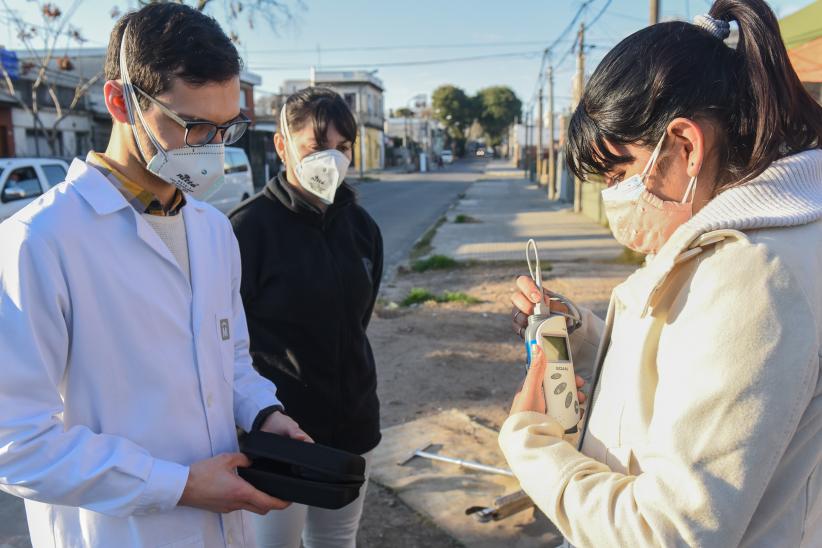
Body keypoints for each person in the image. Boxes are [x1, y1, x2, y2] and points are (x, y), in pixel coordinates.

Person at [504, 0, 822, 546]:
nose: (612, 199)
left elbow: (667, 530)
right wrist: (582, 337)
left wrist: (530, 443)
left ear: (685, 146)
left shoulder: (751, 273)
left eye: (620, 172)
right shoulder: (736, 240)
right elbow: (690, 371)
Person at [0, 5, 310, 547]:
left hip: (221, 527)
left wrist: (263, 412)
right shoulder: (40, 240)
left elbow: (230, 356)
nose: (212, 148)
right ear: (121, 102)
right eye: (193, 126)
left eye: (227, 128)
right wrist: (178, 485)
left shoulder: (212, 230)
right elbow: (15, 442)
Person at [230, 87, 383, 548]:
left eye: (342, 149)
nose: (331, 161)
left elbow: (358, 319)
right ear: (282, 146)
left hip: (353, 424)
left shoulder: (361, 228)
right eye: (317, 149)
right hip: (279, 433)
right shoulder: (246, 230)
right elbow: (224, 342)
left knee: (338, 540)